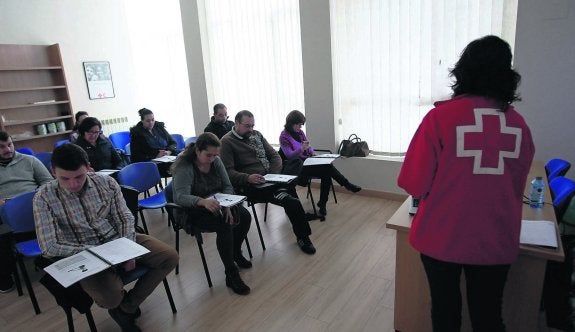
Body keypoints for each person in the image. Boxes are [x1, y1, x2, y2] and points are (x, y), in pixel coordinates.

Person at [397, 35, 534, 332]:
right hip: (496, 237)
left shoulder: (440, 119)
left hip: (441, 236)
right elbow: (516, 185)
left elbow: (414, 183)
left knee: (445, 312)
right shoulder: (519, 125)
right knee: (488, 316)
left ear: (463, 71)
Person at [33, 143, 179, 332]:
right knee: (110, 298)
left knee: (169, 257)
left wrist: (128, 251)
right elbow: (49, 246)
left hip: (117, 240)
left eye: (79, 176)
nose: (73, 184)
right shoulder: (43, 197)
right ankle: (120, 302)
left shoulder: (106, 183)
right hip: (83, 253)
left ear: (88, 167)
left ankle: (127, 307)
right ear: (53, 172)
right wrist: (98, 254)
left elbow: (124, 217)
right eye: (64, 179)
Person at [220, 110, 318, 255]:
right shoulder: (227, 142)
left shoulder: (256, 135)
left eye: (253, 125)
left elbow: (275, 156)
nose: (251, 129)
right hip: (249, 185)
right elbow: (227, 172)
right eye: (247, 126)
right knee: (292, 200)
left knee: (291, 194)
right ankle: (303, 236)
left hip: (269, 179)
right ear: (236, 124)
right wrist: (247, 177)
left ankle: (303, 237)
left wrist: (273, 173)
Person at [168, 132, 252, 295]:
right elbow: (180, 197)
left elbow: (228, 186)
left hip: (218, 202)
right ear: (197, 150)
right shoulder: (184, 166)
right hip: (192, 209)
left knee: (244, 216)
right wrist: (202, 201)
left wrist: (228, 204)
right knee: (224, 225)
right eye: (208, 155)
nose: (212, 159)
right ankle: (231, 273)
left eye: (215, 155)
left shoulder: (216, 160)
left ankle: (235, 252)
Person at [279, 110, 361, 216]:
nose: (300, 128)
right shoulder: (283, 137)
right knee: (327, 169)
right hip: (297, 167)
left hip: (308, 162)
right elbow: (289, 155)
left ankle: (323, 203)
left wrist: (313, 153)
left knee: (326, 171)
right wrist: (301, 149)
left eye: (301, 125)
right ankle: (345, 185)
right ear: (292, 123)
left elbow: (308, 146)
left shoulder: (300, 133)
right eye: (299, 125)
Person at [0, 131, 53, 293]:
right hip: (5, 210)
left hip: (34, 206)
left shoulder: (29, 160)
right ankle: (4, 275)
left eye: (9, 144)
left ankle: (49, 257)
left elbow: (48, 182)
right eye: (1, 147)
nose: (7, 149)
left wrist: (37, 195)